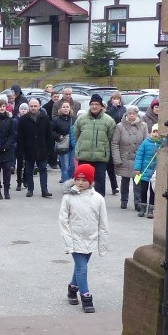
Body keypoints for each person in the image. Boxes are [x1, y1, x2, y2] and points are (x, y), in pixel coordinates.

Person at [59, 164, 109, 313]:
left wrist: (102, 244)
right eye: (78, 179)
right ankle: (86, 297)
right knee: (82, 268)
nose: (80, 183)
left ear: (91, 181)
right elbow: (63, 220)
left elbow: (103, 222)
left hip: (91, 238)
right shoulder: (68, 198)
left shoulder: (98, 199)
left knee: (80, 267)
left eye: (84, 180)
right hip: (75, 238)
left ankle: (72, 288)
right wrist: (68, 241)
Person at [73, 94, 116, 196]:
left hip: (100, 157)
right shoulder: (81, 119)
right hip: (84, 155)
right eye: (92, 104)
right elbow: (77, 134)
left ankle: (98, 202)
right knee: (82, 181)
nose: (94, 106)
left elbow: (110, 137)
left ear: (101, 106)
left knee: (99, 182)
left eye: (97, 104)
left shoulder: (109, 120)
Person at [111, 106, 148, 211]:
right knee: (125, 180)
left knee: (137, 181)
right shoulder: (120, 126)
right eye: (129, 113)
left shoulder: (143, 126)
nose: (131, 115)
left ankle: (138, 202)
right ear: (126, 114)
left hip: (138, 158)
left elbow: (146, 142)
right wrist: (117, 159)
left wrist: (145, 158)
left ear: (137, 114)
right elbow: (115, 143)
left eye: (134, 113)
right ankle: (124, 200)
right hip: (124, 157)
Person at [16, 98, 54, 198]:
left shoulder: (45, 118)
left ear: (39, 106)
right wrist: (21, 151)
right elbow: (20, 137)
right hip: (29, 149)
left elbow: (49, 135)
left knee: (43, 169)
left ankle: (44, 190)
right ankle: (30, 189)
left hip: (42, 149)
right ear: (29, 106)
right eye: (31, 106)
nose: (33, 108)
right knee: (28, 170)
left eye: (35, 106)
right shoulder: (23, 119)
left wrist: (50, 150)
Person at [133, 123, 164, 218]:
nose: (156, 134)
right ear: (151, 132)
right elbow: (139, 156)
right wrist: (137, 168)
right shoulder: (146, 143)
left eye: (158, 132)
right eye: (154, 132)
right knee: (143, 190)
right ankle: (143, 207)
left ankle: (151, 209)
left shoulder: (162, 144)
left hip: (155, 172)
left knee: (153, 191)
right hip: (144, 170)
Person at [0, 99, 16, 200]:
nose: (2, 108)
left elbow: (13, 134)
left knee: (7, 170)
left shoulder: (10, 119)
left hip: (7, 149)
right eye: (0, 106)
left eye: (4, 106)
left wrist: (6, 146)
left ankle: (6, 190)